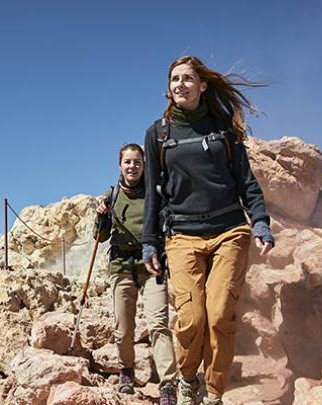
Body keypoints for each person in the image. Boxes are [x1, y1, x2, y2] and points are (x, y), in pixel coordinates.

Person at [141, 56, 275, 405]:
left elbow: (246, 181)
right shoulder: (158, 134)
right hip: (182, 235)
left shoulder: (224, 130)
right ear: (167, 89)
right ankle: (188, 380)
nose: (180, 84)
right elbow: (153, 192)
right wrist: (149, 244)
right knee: (190, 318)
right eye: (174, 79)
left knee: (219, 316)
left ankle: (214, 393)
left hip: (229, 230)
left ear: (203, 86)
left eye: (187, 79)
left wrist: (259, 220)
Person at [96, 143, 177, 405]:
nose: (132, 166)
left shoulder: (156, 193)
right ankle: (126, 371)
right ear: (120, 165)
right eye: (127, 162)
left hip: (152, 264)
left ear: (144, 165)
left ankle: (167, 384)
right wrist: (102, 218)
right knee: (123, 329)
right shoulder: (112, 195)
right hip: (121, 266)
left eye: (137, 162)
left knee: (158, 324)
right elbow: (100, 237)